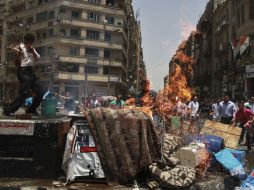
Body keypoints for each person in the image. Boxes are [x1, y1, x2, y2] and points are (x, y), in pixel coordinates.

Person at [3, 33, 45, 116]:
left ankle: (31, 110)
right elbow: (17, 63)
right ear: (26, 41)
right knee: (24, 93)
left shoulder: (32, 48)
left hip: (31, 71)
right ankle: (8, 110)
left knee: (41, 91)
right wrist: (19, 54)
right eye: (30, 42)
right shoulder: (20, 47)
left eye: (32, 42)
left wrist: (32, 51)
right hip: (23, 71)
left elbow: (38, 57)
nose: (31, 43)